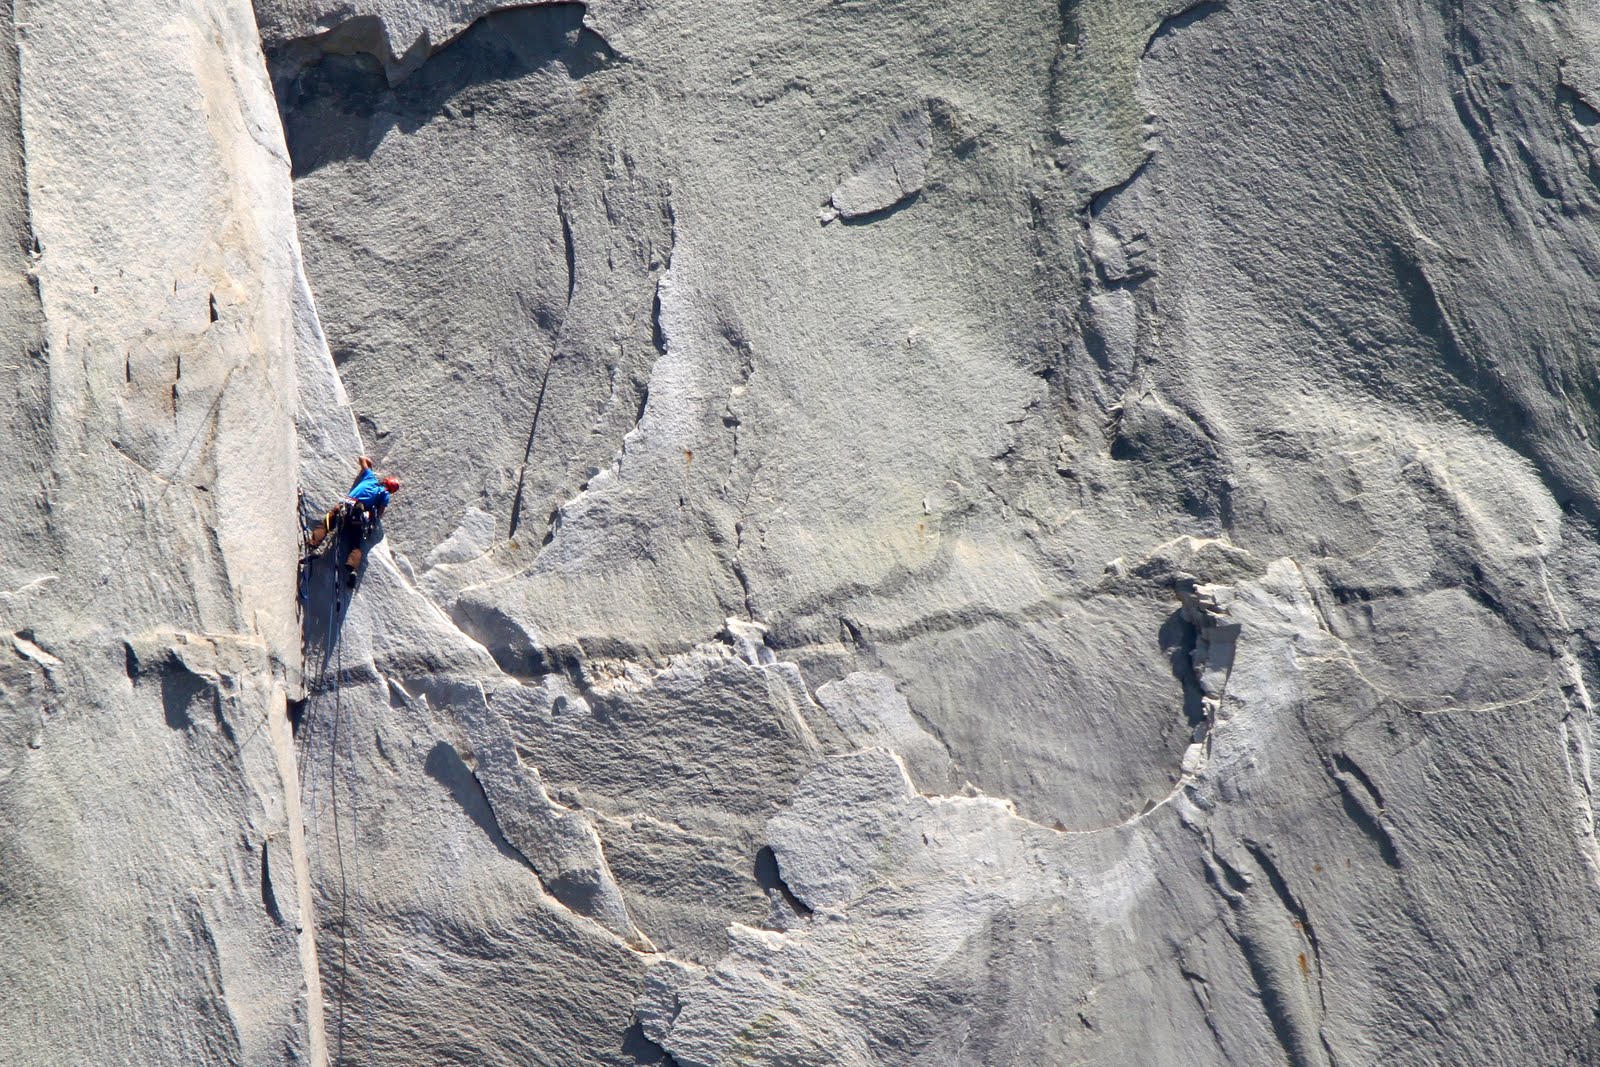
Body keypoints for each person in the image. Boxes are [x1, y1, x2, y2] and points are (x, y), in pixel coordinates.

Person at [307, 455, 400, 570]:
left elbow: (362, 458)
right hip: (357, 517)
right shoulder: (384, 495)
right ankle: (352, 567)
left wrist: (368, 464)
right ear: (391, 491)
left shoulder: (370, 477)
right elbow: (379, 514)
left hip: (344, 507)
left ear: (384, 481)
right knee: (356, 543)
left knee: (327, 523)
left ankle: (313, 544)